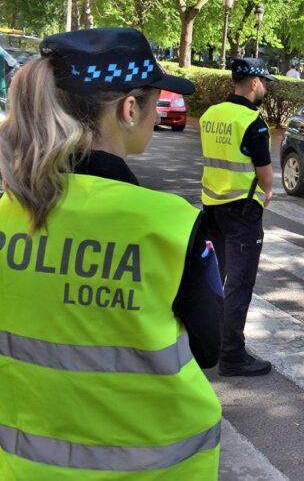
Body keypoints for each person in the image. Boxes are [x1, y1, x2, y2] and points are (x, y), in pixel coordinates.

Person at [0, 28, 222, 478]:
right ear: (129, 109)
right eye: (155, 102)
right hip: (156, 469)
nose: (157, 114)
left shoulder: (6, 214)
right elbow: (209, 347)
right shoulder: (171, 224)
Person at [200, 57, 275, 377]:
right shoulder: (253, 123)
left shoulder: (211, 115)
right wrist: (267, 192)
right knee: (239, 284)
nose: (266, 88)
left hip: (211, 208)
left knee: (214, 279)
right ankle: (231, 355)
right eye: (265, 83)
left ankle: (207, 342)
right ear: (254, 83)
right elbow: (265, 176)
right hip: (242, 212)